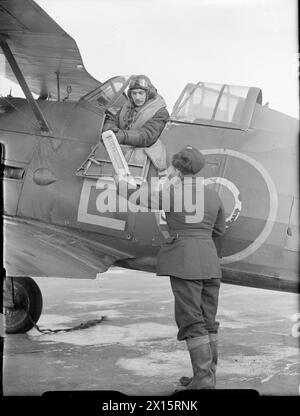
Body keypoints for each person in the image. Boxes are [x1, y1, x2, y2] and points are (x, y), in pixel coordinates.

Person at [115, 145, 226, 390]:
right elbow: (219, 231)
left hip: (185, 262)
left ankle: (204, 380)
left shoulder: (173, 193)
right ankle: (207, 376)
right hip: (210, 262)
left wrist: (120, 183)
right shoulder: (215, 195)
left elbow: (138, 198)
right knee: (208, 320)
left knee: (191, 320)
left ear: (177, 168)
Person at [102, 75, 169, 148]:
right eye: (134, 93)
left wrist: (123, 136)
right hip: (123, 150)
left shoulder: (160, 112)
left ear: (149, 93)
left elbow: (147, 136)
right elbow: (112, 119)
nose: (137, 97)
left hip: (145, 154)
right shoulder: (128, 105)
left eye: (141, 93)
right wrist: (110, 129)